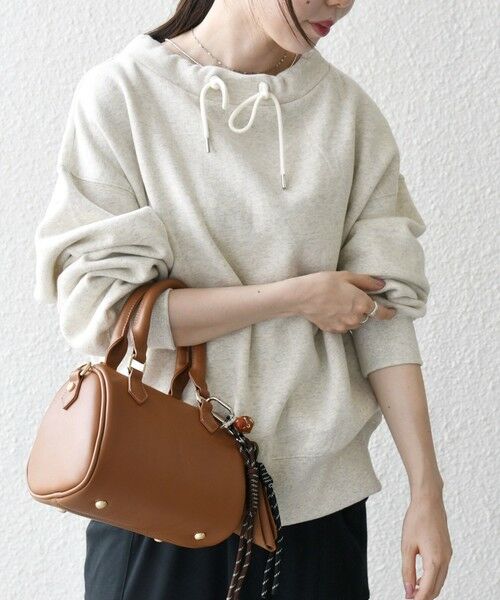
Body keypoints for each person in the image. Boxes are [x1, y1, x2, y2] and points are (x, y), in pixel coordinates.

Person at [33, 1, 453, 599]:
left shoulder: (348, 115)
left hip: (317, 508)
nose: (341, 3)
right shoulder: (124, 95)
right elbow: (107, 311)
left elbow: (383, 316)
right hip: (156, 493)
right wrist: (295, 297)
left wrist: (426, 491)